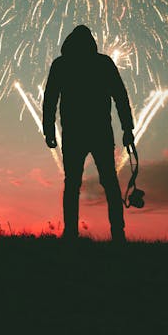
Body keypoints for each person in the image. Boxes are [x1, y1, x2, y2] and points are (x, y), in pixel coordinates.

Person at [42, 25, 134, 242]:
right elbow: (120, 96)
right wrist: (127, 128)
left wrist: (48, 130)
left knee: (72, 183)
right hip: (100, 130)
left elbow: (50, 100)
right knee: (109, 182)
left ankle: (71, 234)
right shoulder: (103, 63)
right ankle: (118, 234)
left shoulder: (61, 64)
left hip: (74, 132)